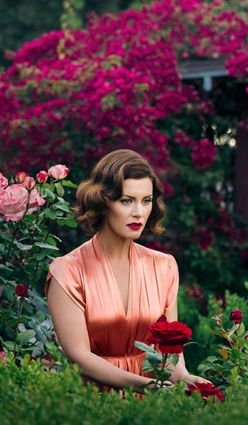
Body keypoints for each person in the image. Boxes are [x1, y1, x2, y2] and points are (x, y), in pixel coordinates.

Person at [45, 149, 211, 393]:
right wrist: (144, 385)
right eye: (126, 200)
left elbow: (169, 354)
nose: (139, 212)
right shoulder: (67, 271)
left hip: (151, 405)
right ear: (102, 201)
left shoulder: (164, 266)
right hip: (90, 403)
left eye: (146, 201)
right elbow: (79, 358)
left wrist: (186, 378)